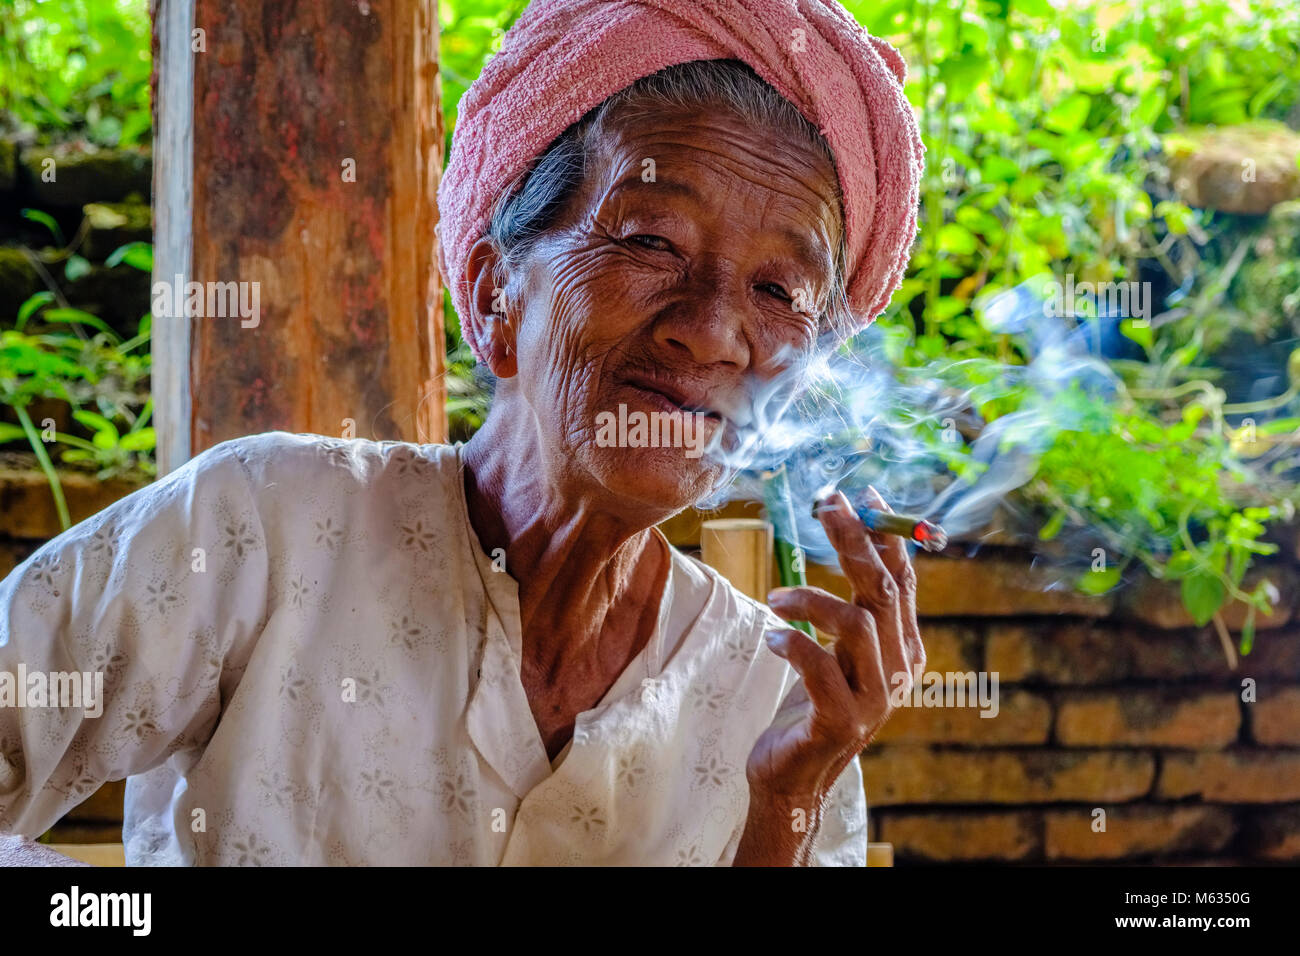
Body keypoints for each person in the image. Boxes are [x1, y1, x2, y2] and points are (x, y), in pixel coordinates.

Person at [0, 0, 925, 865]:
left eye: (778, 293)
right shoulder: (257, 530)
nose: (714, 330)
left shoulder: (775, 701)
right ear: (494, 295)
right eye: (651, 242)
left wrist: (782, 804)